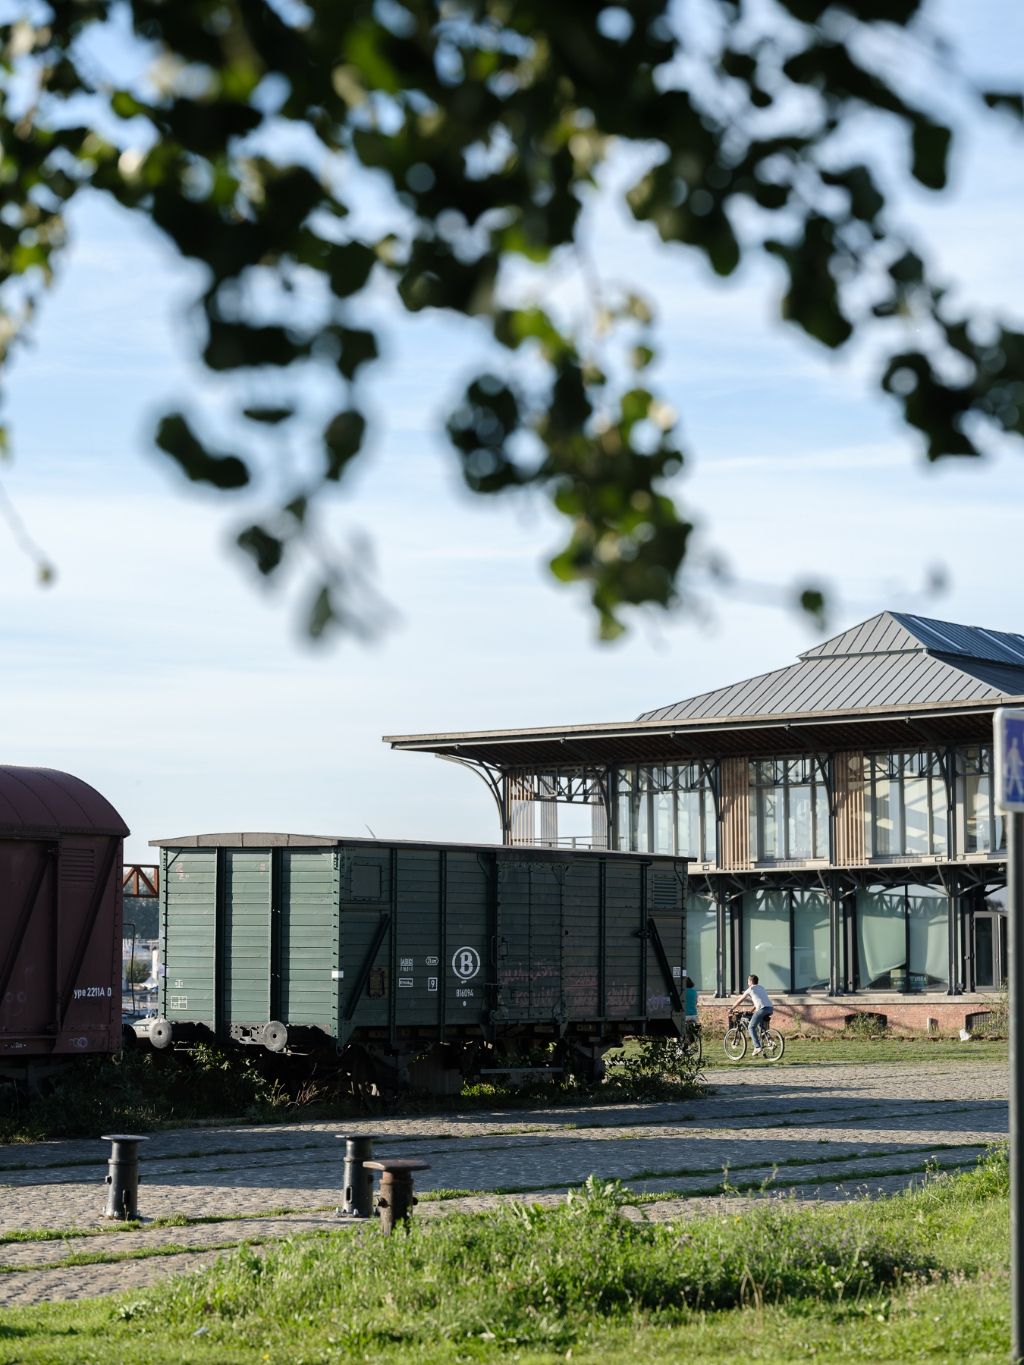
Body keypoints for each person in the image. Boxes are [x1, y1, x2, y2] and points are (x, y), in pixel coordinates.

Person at [732, 974, 773, 1055]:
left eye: (748, 981)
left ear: (750, 981)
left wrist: (731, 1009)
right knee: (760, 1026)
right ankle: (770, 1041)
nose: (747, 983)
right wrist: (752, 1010)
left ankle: (757, 1047)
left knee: (751, 1027)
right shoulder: (761, 988)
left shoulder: (750, 989)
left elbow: (740, 1000)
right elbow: (760, 1001)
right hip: (770, 1008)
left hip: (762, 1009)